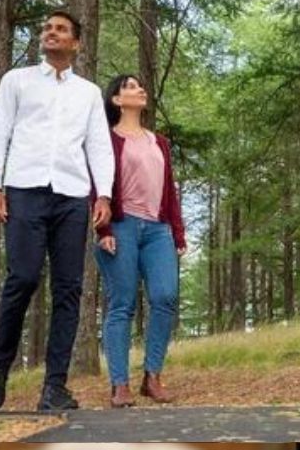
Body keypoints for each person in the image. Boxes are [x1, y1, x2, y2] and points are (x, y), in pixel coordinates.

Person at [0, 10, 114, 412]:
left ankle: (54, 387)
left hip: (73, 196)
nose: (50, 33)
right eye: (46, 29)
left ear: (76, 43)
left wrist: (103, 195)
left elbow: (98, 145)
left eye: (60, 29)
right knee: (22, 277)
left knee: (69, 289)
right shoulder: (16, 81)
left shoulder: (88, 92)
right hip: (25, 190)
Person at [95, 74, 186, 408]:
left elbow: (169, 191)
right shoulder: (107, 140)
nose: (140, 90)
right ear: (117, 100)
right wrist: (103, 231)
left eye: (140, 86)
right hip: (121, 226)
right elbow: (98, 187)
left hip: (158, 229)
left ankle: (153, 376)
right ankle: (120, 385)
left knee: (165, 297)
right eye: (131, 87)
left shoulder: (158, 141)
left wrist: (177, 233)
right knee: (122, 304)